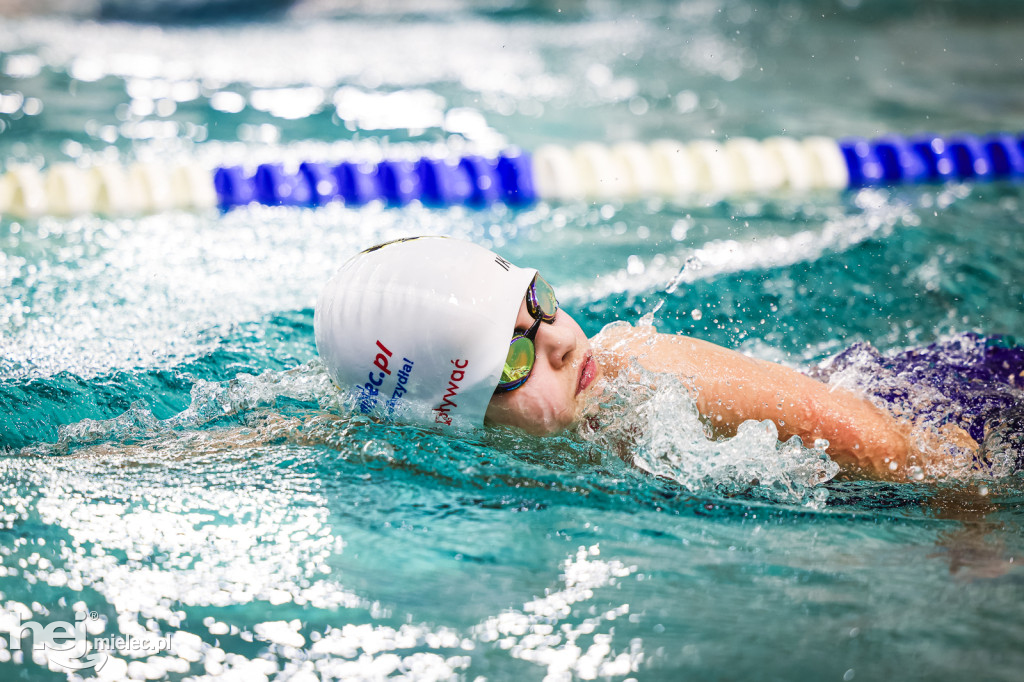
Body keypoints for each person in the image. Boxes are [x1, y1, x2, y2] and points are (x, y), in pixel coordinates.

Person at [314, 236, 989, 482]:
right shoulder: (423, 436)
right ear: (450, 413)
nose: (559, 340)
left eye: (539, 301)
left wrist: (970, 536)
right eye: (514, 359)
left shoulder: (647, 371)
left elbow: (919, 450)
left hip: (970, 402)